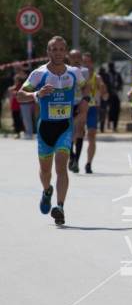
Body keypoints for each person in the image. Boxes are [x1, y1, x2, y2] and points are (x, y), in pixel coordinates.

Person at [16, 36, 87, 225]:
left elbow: (85, 86)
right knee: (46, 171)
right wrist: (36, 94)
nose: (57, 53)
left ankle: (60, 207)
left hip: (65, 126)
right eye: (54, 49)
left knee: (61, 167)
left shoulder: (74, 73)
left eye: (61, 49)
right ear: (48, 52)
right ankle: (47, 190)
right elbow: (20, 95)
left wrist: (85, 101)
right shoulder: (39, 74)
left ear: (65, 52)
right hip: (45, 128)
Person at [81, 52, 108, 173]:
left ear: (91, 63)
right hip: (80, 108)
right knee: (78, 134)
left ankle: (88, 163)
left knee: (91, 135)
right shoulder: (78, 76)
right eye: (84, 62)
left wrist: (102, 89)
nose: (86, 64)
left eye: (88, 62)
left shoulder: (97, 78)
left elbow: (104, 93)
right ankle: (74, 158)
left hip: (92, 108)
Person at [67, 49, 90, 173]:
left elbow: (86, 87)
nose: (76, 59)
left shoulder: (85, 71)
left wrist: (85, 101)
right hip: (67, 104)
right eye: (73, 57)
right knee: (69, 131)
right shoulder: (64, 70)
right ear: (69, 58)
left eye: (78, 57)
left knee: (80, 130)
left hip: (80, 103)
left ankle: (76, 161)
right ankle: (71, 156)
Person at [107, 62, 123, 132]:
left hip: (116, 95)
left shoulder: (117, 74)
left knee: (116, 110)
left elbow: (121, 83)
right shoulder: (107, 75)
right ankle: (108, 124)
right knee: (109, 110)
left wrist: (116, 89)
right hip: (108, 95)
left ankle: (114, 126)